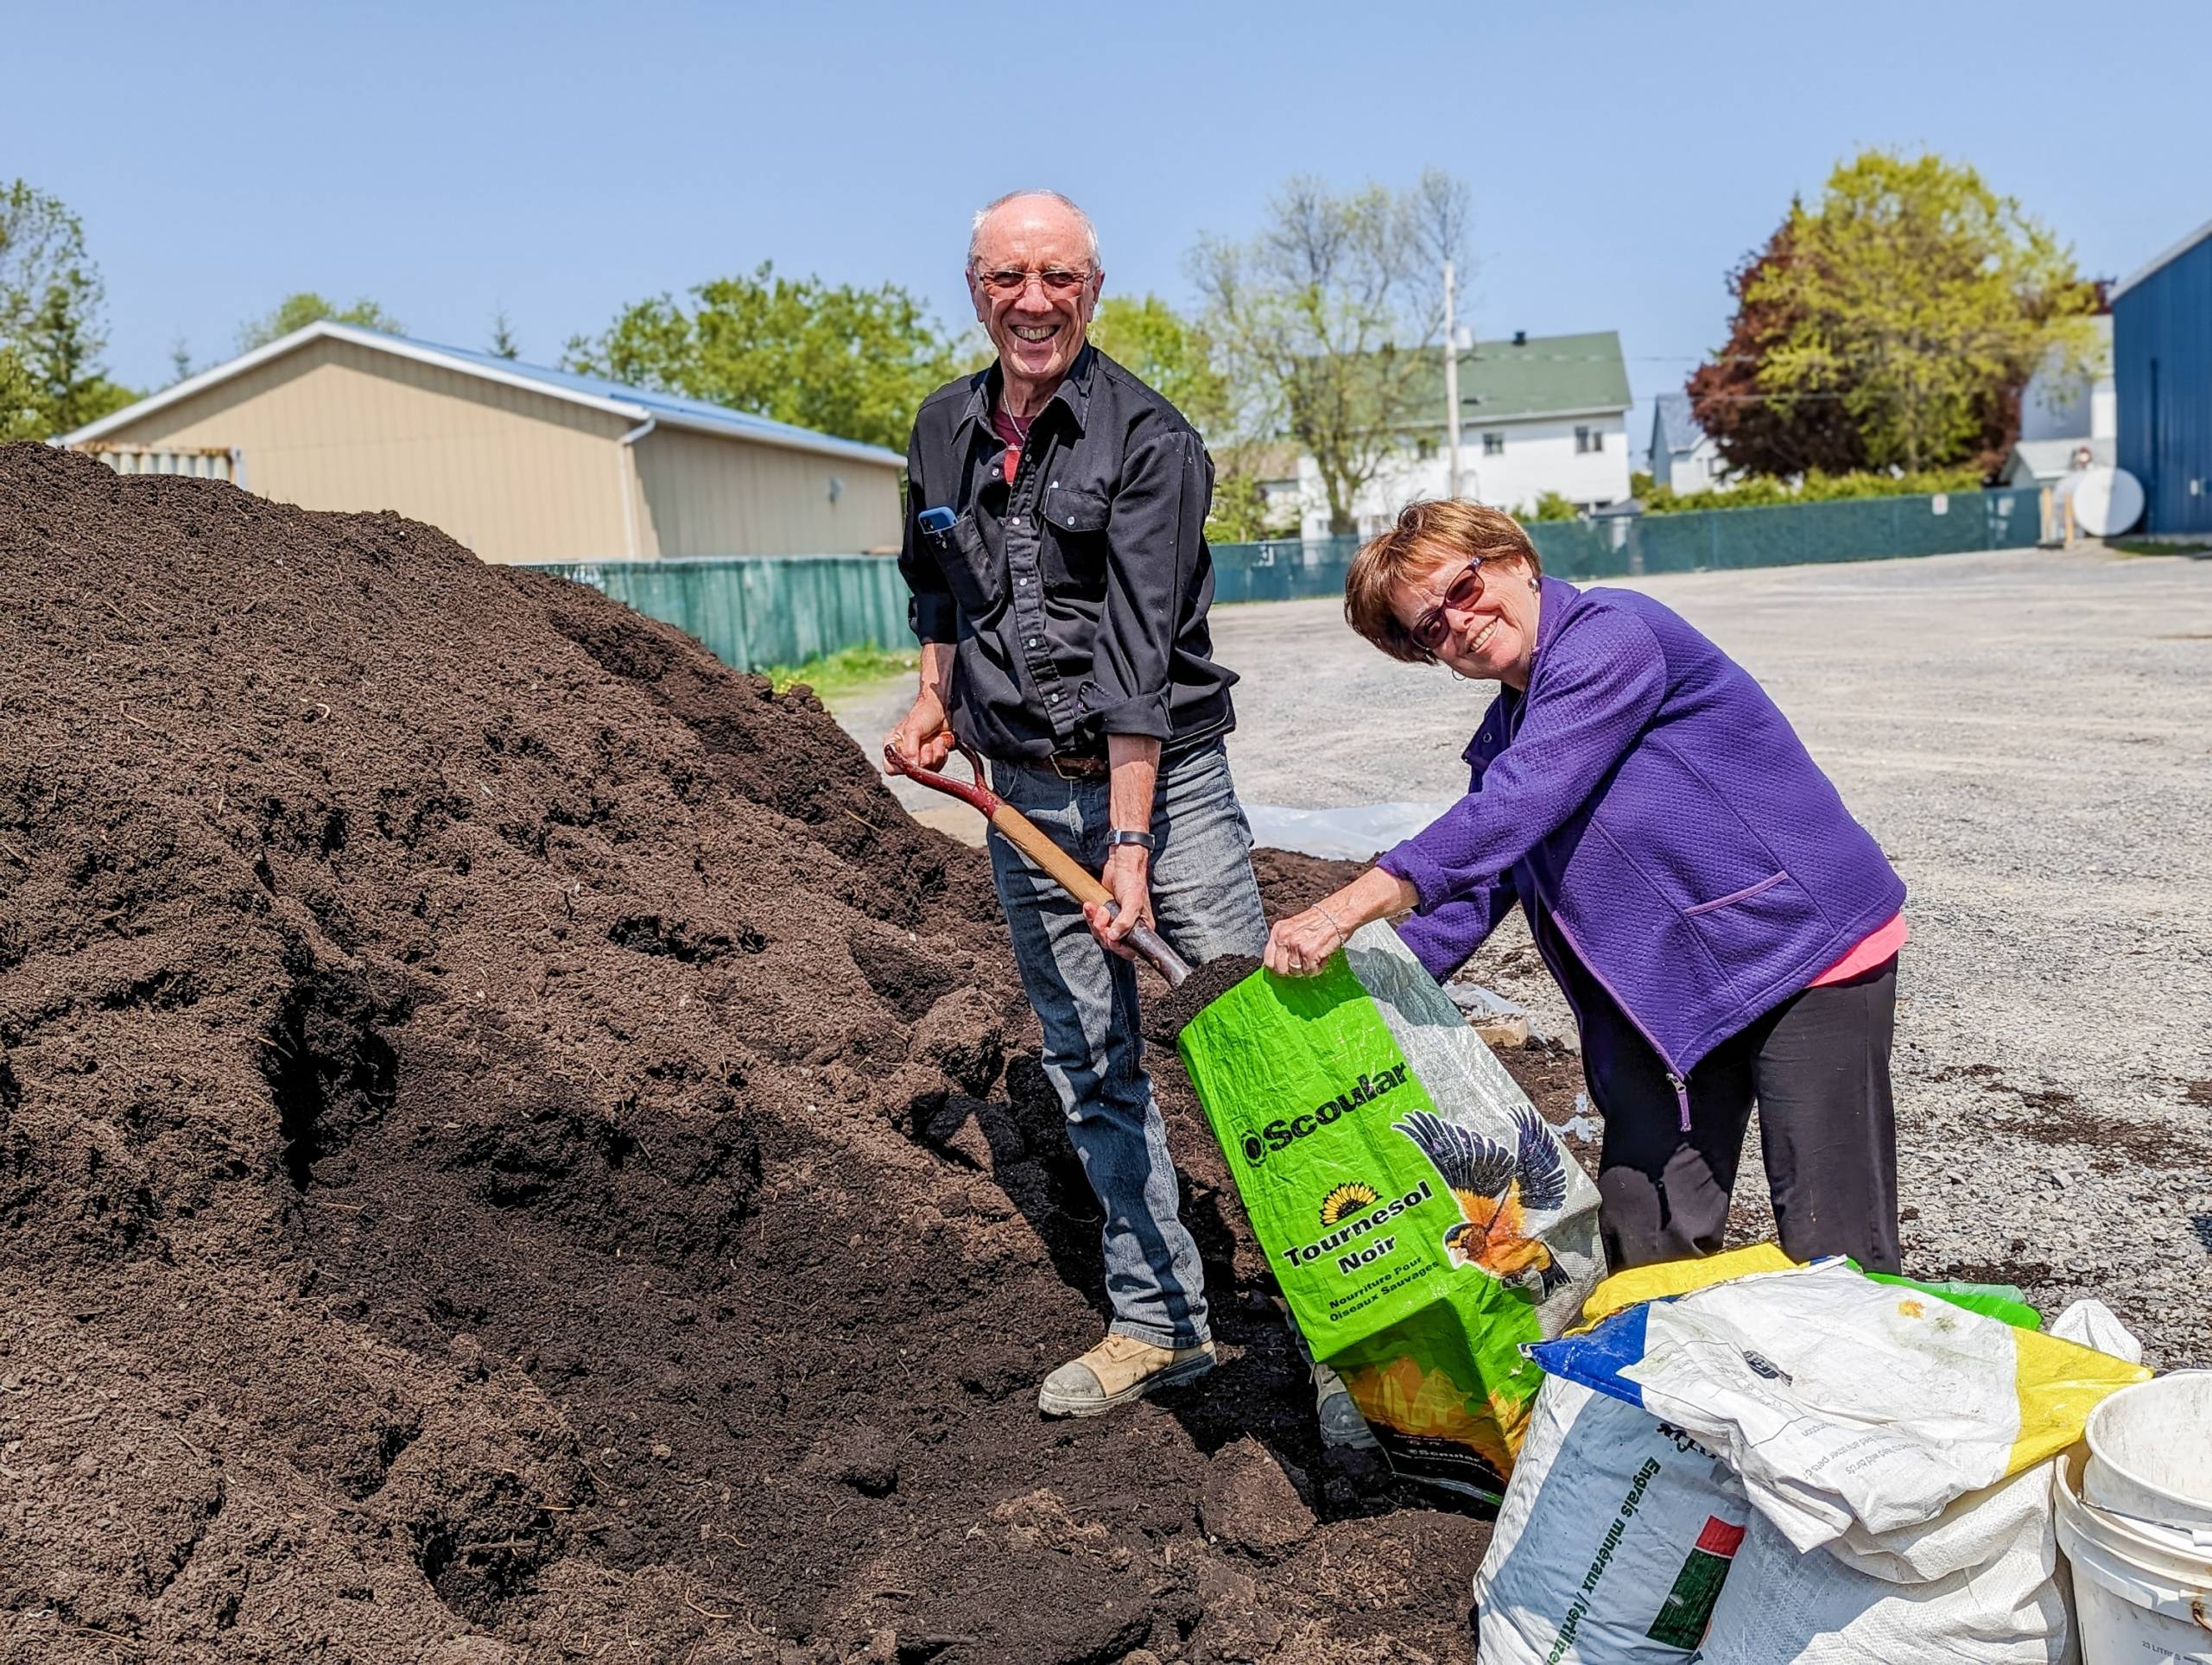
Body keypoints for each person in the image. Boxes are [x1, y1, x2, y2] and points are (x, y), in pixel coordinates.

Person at [888, 189, 1369, 1438]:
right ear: (975, 288)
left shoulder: (1152, 440)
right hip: (1021, 793)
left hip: (1167, 788)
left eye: (1058, 277)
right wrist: (934, 696)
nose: (1032, 300)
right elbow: (935, 587)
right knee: (1089, 1064)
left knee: (1256, 1046)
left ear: (1092, 290)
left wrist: (1134, 845)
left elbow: (1138, 658)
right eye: (1007, 277)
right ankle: (1161, 1325)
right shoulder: (940, 428)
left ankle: (1348, 1336)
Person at [1263, 500, 1909, 1276]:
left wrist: (1344, 908)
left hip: (1797, 948)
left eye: (1462, 589)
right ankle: (1670, 1350)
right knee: (1646, 1231)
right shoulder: (1507, 728)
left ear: (1513, 561)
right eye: (1429, 627)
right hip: (1671, 991)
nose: (1458, 623)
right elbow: (1483, 880)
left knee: (1830, 1232)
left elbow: (1517, 804)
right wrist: (1360, 996)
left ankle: (1875, 1350)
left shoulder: (1612, 637)